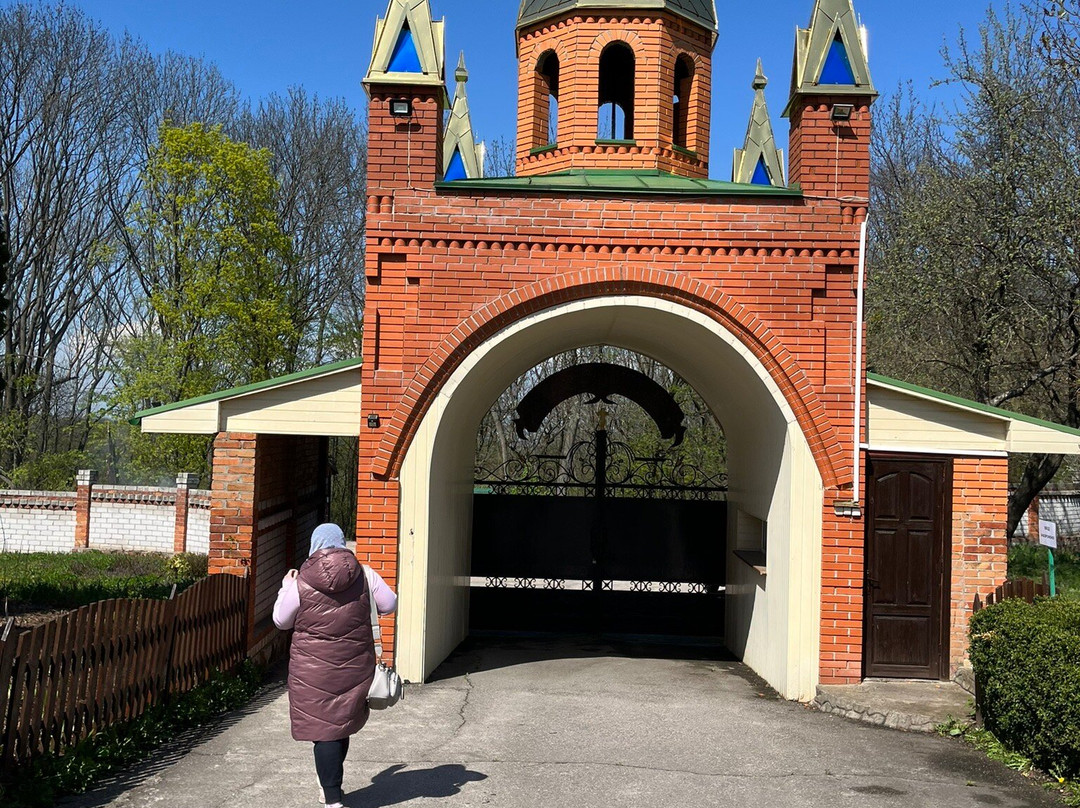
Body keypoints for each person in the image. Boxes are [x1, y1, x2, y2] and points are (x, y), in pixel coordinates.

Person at [273, 523, 397, 808]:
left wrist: (286, 587)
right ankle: (331, 789)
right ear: (342, 544)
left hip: (312, 670)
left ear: (314, 545)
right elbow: (389, 604)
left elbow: (281, 621)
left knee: (324, 731)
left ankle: (332, 799)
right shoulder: (365, 574)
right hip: (355, 664)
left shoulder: (301, 580)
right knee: (339, 724)